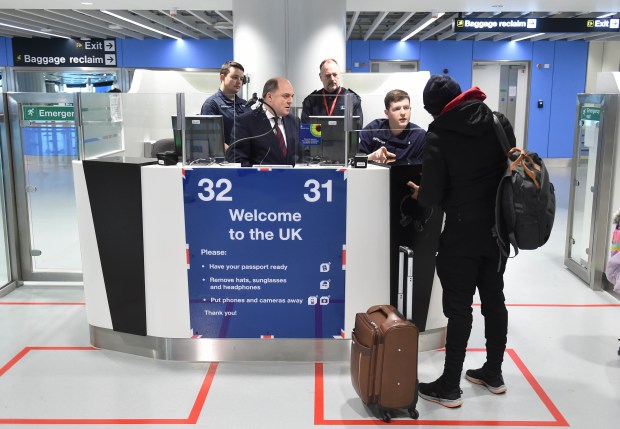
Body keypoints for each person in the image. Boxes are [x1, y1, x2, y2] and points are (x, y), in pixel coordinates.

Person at [407, 75, 516, 408]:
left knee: (459, 309)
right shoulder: (497, 121)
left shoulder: (439, 134)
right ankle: (493, 373)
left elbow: (433, 197)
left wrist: (418, 192)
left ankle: (449, 385)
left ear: (434, 110)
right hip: (496, 231)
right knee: (494, 300)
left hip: (460, 233)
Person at [227, 77, 300, 167]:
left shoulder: (295, 121)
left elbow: (303, 155)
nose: (290, 101)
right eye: (286, 96)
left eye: (292, 96)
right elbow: (237, 160)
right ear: (269, 97)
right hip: (259, 179)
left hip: (292, 179)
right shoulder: (245, 122)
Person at [359, 89, 426, 164]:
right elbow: (353, 162)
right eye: (397, 109)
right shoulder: (373, 129)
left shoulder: (420, 136)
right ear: (387, 113)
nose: (403, 113)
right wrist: (372, 157)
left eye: (406, 108)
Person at [200, 61, 252, 147]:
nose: (239, 82)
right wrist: (233, 155)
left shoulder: (245, 104)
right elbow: (211, 138)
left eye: (241, 79)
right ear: (222, 77)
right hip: (227, 158)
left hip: (248, 157)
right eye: (235, 77)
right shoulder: (211, 104)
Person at [301, 58, 363, 124]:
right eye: (328, 75)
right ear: (321, 77)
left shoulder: (352, 98)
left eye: (335, 74)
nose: (332, 79)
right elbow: (306, 129)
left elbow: (357, 128)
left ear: (340, 74)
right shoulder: (311, 101)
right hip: (318, 134)